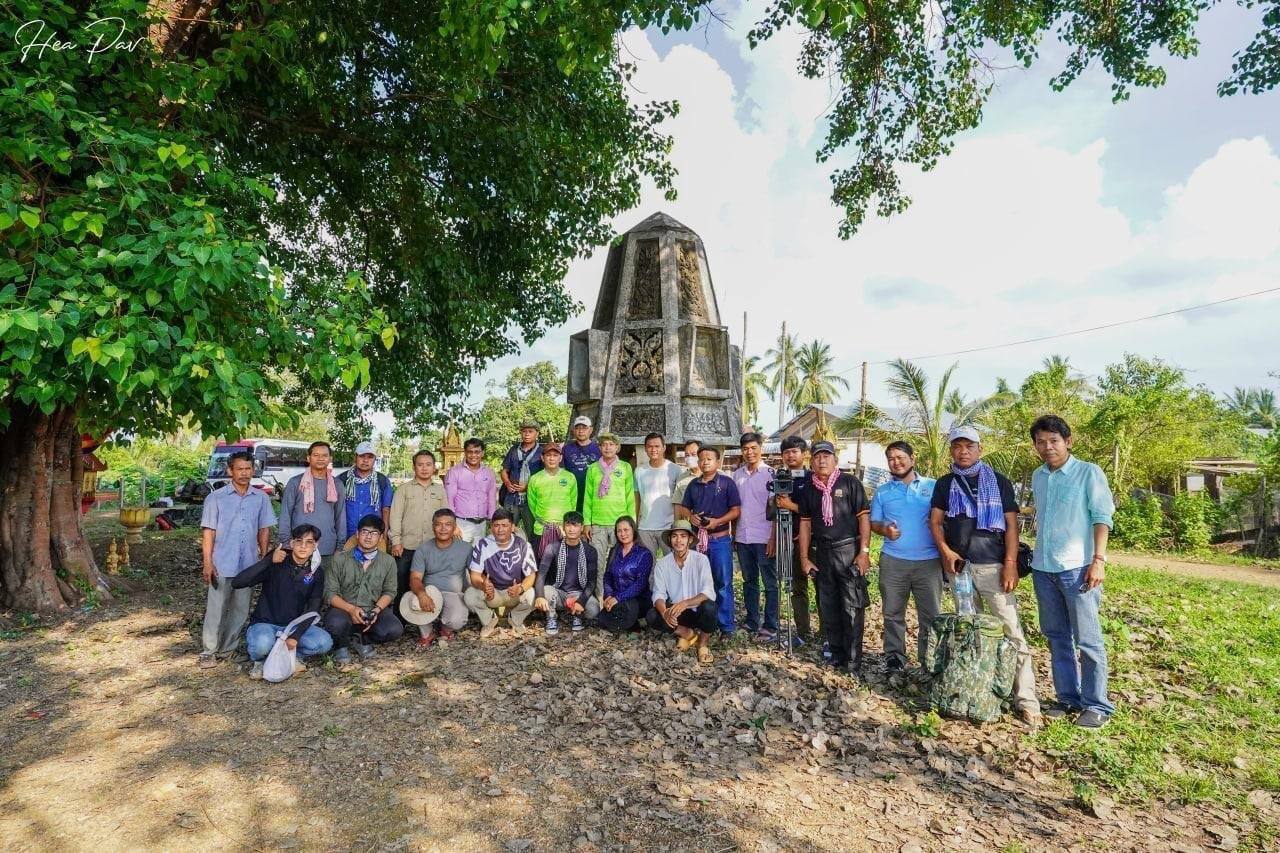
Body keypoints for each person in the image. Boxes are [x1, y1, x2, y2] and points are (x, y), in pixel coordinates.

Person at [929, 425, 1041, 726]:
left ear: (979, 449)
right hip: (960, 570)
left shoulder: (1000, 483)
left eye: (969, 446)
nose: (962, 451)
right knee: (970, 634)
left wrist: (1009, 564)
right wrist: (946, 552)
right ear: (951, 450)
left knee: (1011, 632)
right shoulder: (945, 484)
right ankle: (977, 692)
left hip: (993, 568)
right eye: (957, 446)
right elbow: (936, 523)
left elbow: (1012, 527)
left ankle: (1026, 700)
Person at [1029, 414, 1116, 729]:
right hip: (1044, 568)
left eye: (1053, 440)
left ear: (1067, 441)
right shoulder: (1039, 476)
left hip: (1078, 568)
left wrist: (1099, 559)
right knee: (1056, 637)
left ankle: (1097, 706)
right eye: (1041, 441)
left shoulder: (1087, 473)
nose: (1047, 447)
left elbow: (1102, 517)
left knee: (1088, 639)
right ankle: (1068, 698)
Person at [797, 441, 871, 677]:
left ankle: (853, 661)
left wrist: (864, 552)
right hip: (823, 553)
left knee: (852, 607)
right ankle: (837, 654)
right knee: (828, 606)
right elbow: (805, 524)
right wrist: (805, 558)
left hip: (848, 550)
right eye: (817, 456)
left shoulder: (850, 483)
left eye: (826, 456)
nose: (822, 460)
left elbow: (864, 519)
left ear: (835, 459)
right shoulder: (810, 488)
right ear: (811, 461)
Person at [869, 440, 943, 677]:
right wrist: (885, 530)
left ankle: (928, 660)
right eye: (891, 458)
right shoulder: (883, 492)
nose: (896, 462)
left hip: (929, 562)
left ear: (913, 459)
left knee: (930, 615)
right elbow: (874, 523)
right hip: (893, 560)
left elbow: (944, 519)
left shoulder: (933, 487)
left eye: (901, 457)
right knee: (892, 613)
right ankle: (894, 657)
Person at [198, 451, 276, 668]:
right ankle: (209, 650)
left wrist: (263, 556)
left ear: (253, 470)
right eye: (239, 469)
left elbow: (264, 528)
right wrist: (207, 561)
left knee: (241, 610)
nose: (244, 473)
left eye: (248, 469)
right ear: (230, 471)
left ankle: (228, 649)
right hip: (221, 562)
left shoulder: (260, 498)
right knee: (216, 608)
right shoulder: (216, 498)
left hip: (248, 565)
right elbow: (208, 533)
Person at [232, 523, 333, 678]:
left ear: (316, 545)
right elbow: (238, 582)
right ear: (292, 543)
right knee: (262, 644)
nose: (303, 547)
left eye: (309, 542)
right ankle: (260, 660)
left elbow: (314, 607)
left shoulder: (316, 571)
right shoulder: (277, 560)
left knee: (324, 642)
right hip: (265, 623)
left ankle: (293, 655)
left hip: (291, 627)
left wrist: (295, 636)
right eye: (299, 541)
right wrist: (268, 561)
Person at [321, 514, 403, 666]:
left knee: (394, 629)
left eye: (374, 533)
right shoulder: (340, 559)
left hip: (372, 609)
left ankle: (359, 638)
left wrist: (376, 610)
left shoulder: (388, 561)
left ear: (380, 538)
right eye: (365, 532)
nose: (368, 537)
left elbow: (390, 591)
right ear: (357, 534)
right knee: (335, 623)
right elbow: (329, 593)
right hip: (344, 609)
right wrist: (351, 609)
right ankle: (341, 644)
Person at [678, 445, 741, 634]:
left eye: (709, 459)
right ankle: (702, 624)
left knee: (723, 583)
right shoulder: (693, 484)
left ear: (718, 461)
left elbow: (736, 510)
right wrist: (692, 518)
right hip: (698, 541)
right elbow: (684, 508)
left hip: (720, 540)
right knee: (697, 581)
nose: (704, 462)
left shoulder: (727, 483)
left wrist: (717, 522)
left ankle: (726, 627)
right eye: (702, 459)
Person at [389, 450, 449, 620]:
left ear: (434, 468)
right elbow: (395, 516)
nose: (424, 468)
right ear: (414, 467)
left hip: (432, 546)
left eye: (428, 464)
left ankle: (431, 617)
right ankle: (399, 620)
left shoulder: (440, 490)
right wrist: (396, 541)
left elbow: (446, 516)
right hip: (407, 546)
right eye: (420, 465)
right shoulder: (404, 490)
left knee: (431, 582)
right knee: (402, 582)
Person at [401, 508, 472, 648]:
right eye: (438, 524)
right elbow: (415, 578)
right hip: (429, 593)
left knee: (457, 620)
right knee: (414, 601)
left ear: (455, 527)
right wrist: (422, 594)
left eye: (448, 524)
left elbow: (475, 574)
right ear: (433, 526)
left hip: (452, 594)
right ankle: (427, 633)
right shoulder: (423, 549)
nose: (443, 528)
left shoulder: (466, 548)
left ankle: (445, 628)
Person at [648, 520, 717, 664]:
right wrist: (664, 613)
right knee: (653, 615)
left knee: (710, 607)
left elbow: (708, 591)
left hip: (698, 609)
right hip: (677, 613)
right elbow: (658, 594)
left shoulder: (701, 560)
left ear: (690, 539)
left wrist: (686, 603)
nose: (678, 540)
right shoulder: (663, 564)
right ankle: (688, 634)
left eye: (683, 536)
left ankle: (703, 644)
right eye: (674, 536)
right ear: (670, 539)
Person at [463, 508, 538, 637]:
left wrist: (520, 588)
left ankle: (515, 619)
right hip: (493, 594)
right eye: (496, 525)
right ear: (491, 528)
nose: (500, 529)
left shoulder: (523, 545)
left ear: (513, 527)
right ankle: (489, 620)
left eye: (505, 525)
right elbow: (474, 575)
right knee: (470, 595)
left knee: (533, 594)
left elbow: (531, 575)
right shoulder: (483, 545)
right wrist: (484, 586)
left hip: (513, 592)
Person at [732, 432, 778, 642]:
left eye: (753, 448)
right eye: (745, 449)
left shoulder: (771, 474)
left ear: (761, 448)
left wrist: (773, 538)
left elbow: (776, 508)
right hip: (743, 537)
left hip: (764, 536)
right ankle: (752, 620)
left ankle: (770, 625)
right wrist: (734, 534)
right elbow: (735, 507)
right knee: (749, 580)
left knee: (770, 582)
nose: (749, 453)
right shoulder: (737, 475)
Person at [774, 436, 818, 641]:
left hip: (813, 540)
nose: (790, 455)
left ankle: (827, 633)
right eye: (786, 452)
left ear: (804, 454)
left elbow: (817, 511)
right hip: (788, 537)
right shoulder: (781, 478)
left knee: (821, 586)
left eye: (795, 451)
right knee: (796, 587)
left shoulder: (814, 478)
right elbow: (773, 512)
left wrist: (791, 506)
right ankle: (803, 632)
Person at [583, 432, 635, 599]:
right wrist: (587, 522)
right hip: (598, 523)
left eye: (611, 444)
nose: (608, 447)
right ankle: (599, 598)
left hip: (619, 524)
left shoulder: (625, 468)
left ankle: (617, 597)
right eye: (604, 444)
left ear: (617, 447)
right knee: (598, 564)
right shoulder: (592, 469)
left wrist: (630, 522)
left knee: (618, 564)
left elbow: (630, 496)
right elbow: (588, 496)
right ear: (599, 448)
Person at [278, 441, 345, 566]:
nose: (320, 459)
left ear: (330, 459)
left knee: (325, 584)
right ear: (308, 458)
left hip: (328, 548)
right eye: (316, 455)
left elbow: (340, 516)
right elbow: (285, 514)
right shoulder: (295, 483)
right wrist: (287, 545)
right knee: (299, 584)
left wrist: (340, 547)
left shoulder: (337, 485)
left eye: (324, 455)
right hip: (300, 549)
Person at [534, 511, 600, 635]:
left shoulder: (590, 551)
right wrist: (540, 596)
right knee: (546, 591)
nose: (572, 529)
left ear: (581, 527)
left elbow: (592, 581)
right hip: (559, 592)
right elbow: (541, 574)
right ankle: (551, 616)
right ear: (563, 527)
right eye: (568, 525)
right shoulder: (553, 547)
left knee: (593, 610)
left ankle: (577, 615)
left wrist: (581, 601)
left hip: (579, 592)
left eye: (575, 525)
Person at [598, 516, 654, 634]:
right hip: (616, 598)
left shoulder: (644, 554)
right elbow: (607, 576)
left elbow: (640, 584)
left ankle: (636, 621)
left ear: (633, 530)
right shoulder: (614, 551)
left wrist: (618, 598)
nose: (623, 534)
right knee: (601, 620)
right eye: (619, 531)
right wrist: (608, 595)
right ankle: (633, 623)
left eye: (626, 530)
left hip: (638, 599)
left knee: (627, 608)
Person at [525, 442, 579, 558]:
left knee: (562, 565)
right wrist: (545, 520)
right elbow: (532, 503)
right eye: (548, 455)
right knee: (541, 565)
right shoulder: (535, 479)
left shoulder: (569, 477)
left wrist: (565, 523)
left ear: (560, 458)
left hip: (564, 530)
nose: (552, 458)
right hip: (542, 529)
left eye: (555, 455)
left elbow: (573, 502)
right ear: (542, 458)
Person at [634, 432, 681, 558]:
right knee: (648, 567)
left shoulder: (675, 469)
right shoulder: (639, 471)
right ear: (645, 449)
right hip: (645, 527)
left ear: (664, 447)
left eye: (657, 446)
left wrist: (676, 523)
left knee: (672, 563)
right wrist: (636, 523)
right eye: (650, 446)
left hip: (668, 526)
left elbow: (679, 500)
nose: (653, 449)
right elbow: (637, 499)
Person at [337, 441, 394, 543]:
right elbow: (335, 509)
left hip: (372, 536)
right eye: (362, 456)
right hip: (346, 535)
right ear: (355, 457)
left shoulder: (382, 481)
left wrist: (384, 535)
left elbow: (386, 510)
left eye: (370, 457)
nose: (365, 460)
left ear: (374, 460)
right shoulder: (342, 479)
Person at [445, 437, 498, 544]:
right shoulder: (454, 472)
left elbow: (491, 498)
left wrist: (493, 522)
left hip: (482, 524)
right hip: (461, 523)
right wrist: (452, 524)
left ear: (482, 453)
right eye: (470, 452)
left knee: (479, 556)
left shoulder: (489, 473)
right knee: (460, 557)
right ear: (465, 453)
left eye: (477, 452)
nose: (473, 455)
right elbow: (449, 500)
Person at [500, 419, 544, 541]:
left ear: (537, 434)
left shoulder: (541, 452)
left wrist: (528, 486)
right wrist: (508, 483)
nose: (527, 434)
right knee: (506, 529)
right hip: (512, 497)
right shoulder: (514, 449)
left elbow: (545, 476)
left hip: (530, 499)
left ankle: (531, 558)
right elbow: (504, 470)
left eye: (530, 431)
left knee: (532, 533)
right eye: (524, 431)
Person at [562, 415, 602, 513]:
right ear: (573, 430)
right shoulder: (566, 449)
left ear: (591, 430)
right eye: (578, 428)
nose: (581, 431)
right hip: (572, 493)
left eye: (584, 428)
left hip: (592, 494)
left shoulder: (599, 449)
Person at [670, 439, 702, 508]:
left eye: (693, 454)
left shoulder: (718, 475)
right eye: (687, 455)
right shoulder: (682, 478)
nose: (690, 458)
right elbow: (677, 505)